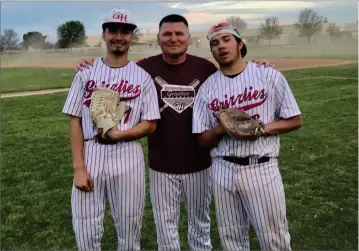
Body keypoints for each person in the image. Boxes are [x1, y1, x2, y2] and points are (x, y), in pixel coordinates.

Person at [75, 15, 274, 251]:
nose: (173, 38)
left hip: (200, 162)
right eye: (167, 34)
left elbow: (235, 76)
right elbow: (117, 73)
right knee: (165, 230)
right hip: (161, 164)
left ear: (189, 39)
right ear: (158, 39)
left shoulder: (206, 68)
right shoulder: (144, 69)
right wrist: (90, 64)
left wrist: (259, 66)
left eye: (179, 34)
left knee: (200, 227)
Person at [192, 22, 303, 251]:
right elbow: (202, 140)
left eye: (226, 40)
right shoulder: (207, 89)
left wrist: (261, 129)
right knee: (231, 240)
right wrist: (221, 129)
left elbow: (295, 119)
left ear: (240, 44)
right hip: (223, 169)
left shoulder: (268, 75)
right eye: (215, 43)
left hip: (261, 167)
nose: (221, 46)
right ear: (211, 51)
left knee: (275, 240)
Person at [62, 8, 161, 251]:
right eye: (113, 30)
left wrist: (120, 134)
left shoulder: (142, 77)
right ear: (104, 34)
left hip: (128, 154)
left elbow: (150, 123)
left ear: (131, 37)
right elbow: (74, 120)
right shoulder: (86, 73)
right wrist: (78, 168)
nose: (119, 36)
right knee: (85, 228)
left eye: (125, 31)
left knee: (129, 227)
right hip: (91, 151)